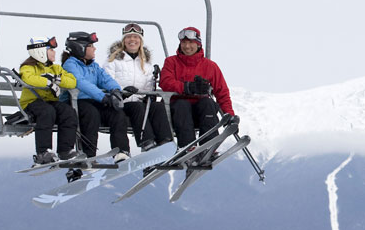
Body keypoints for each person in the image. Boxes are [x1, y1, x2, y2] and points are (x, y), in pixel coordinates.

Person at [159, 26, 238, 147]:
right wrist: (187, 87)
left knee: (208, 103)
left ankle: (208, 145)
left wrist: (230, 115)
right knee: (182, 104)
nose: (187, 46)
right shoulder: (171, 62)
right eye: (184, 43)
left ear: (198, 44)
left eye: (190, 42)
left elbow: (221, 92)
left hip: (200, 112)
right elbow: (165, 82)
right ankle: (188, 146)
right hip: (178, 111)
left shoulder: (210, 66)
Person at [61, 31, 131, 162]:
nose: (94, 48)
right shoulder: (70, 65)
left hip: (93, 100)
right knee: (91, 114)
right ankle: (88, 153)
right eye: (91, 45)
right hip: (76, 101)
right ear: (80, 47)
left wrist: (115, 91)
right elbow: (81, 82)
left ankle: (121, 151)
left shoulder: (93, 66)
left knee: (117, 113)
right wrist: (103, 97)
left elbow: (105, 79)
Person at [105, 23, 174, 151]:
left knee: (157, 107)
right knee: (137, 107)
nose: (132, 40)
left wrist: (149, 95)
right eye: (129, 37)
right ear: (124, 41)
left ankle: (165, 141)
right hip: (121, 103)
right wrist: (123, 91)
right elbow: (106, 80)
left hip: (139, 102)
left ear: (140, 41)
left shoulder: (146, 64)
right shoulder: (113, 61)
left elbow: (148, 88)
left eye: (136, 37)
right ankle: (147, 143)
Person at [18, 36, 80, 165]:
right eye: (50, 49)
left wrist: (57, 80)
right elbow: (29, 79)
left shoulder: (55, 68)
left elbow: (72, 81)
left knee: (67, 112)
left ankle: (65, 150)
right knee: (47, 112)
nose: (54, 52)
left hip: (49, 102)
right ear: (40, 51)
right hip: (31, 103)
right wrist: (47, 81)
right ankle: (43, 152)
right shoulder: (28, 67)